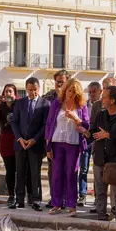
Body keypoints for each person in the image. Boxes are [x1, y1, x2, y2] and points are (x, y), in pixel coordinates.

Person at [87, 86, 116, 222]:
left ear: (112, 100)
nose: (102, 99)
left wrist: (108, 135)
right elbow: (94, 132)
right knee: (100, 192)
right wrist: (85, 132)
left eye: (105, 97)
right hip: (100, 158)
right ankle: (101, 216)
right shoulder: (101, 114)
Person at [45, 78, 89, 215]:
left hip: (73, 143)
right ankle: (56, 204)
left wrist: (76, 118)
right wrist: (48, 146)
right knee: (57, 174)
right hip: (57, 142)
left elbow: (87, 125)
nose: (71, 94)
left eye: (74, 92)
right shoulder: (57, 103)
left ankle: (71, 205)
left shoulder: (81, 106)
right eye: (69, 91)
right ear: (65, 90)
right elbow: (49, 123)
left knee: (71, 174)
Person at [11, 77, 50, 211]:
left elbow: (45, 125)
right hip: (21, 143)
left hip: (36, 144)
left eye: (34, 89)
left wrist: (35, 139)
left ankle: (36, 200)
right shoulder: (20, 103)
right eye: (29, 90)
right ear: (26, 89)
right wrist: (19, 138)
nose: (32, 92)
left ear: (38, 89)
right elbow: (14, 122)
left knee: (35, 173)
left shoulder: (45, 104)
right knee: (20, 172)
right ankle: (19, 200)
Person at [42, 70, 69, 208]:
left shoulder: (72, 96)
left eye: (61, 82)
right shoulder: (48, 97)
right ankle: (55, 198)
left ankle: (65, 198)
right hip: (52, 139)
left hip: (68, 139)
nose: (59, 84)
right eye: (57, 82)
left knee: (66, 170)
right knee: (53, 170)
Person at [0, 84, 21, 207]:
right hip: (5, 141)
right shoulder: (1, 106)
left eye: (10, 91)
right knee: (9, 170)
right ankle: (11, 195)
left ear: (15, 93)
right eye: (6, 91)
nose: (8, 94)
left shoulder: (19, 104)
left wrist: (16, 101)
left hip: (18, 140)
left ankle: (21, 195)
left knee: (20, 170)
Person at [78, 82, 101, 207]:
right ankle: (82, 194)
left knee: (98, 170)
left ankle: (98, 196)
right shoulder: (83, 105)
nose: (91, 94)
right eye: (90, 92)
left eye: (94, 92)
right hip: (86, 140)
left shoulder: (103, 105)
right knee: (83, 168)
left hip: (98, 140)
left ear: (100, 92)